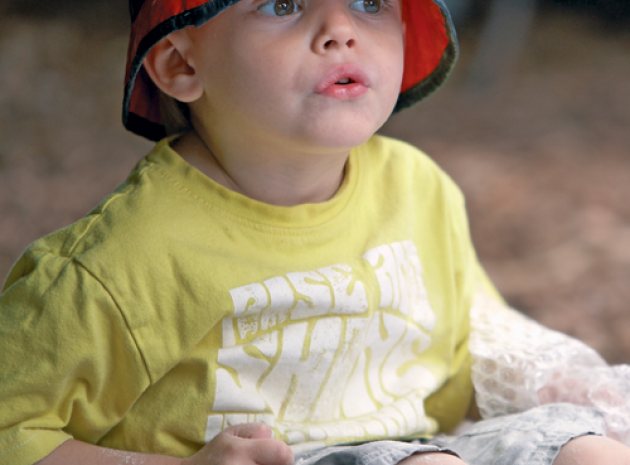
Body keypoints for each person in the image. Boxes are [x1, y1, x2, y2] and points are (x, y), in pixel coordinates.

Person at [0, 0, 629, 464]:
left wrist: (563, 380)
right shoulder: (119, 261)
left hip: (428, 445)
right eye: (283, 6)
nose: (340, 31)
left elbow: (463, 337)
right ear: (182, 62)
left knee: (593, 453)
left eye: (370, 3)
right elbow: (13, 430)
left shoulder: (417, 186)